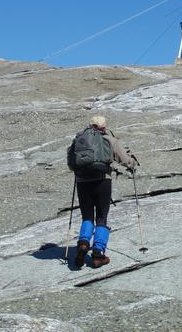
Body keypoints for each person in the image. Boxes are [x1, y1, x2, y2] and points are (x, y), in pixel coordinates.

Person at [68, 115, 137, 268]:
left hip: (82, 182)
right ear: (104, 127)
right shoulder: (109, 139)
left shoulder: (79, 139)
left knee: (87, 216)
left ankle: (84, 243)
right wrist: (132, 163)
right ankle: (98, 254)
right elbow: (124, 159)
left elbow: (71, 163)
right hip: (102, 181)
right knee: (101, 217)